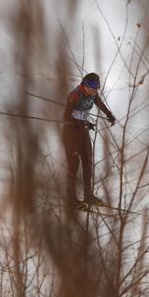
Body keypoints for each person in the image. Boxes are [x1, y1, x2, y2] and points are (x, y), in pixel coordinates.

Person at [61, 72, 116, 207]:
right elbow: (66, 118)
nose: (94, 89)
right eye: (91, 86)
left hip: (82, 131)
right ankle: (71, 198)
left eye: (97, 86)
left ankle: (88, 195)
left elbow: (99, 103)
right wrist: (83, 123)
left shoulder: (92, 94)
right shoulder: (74, 95)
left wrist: (109, 114)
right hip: (70, 131)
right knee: (74, 164)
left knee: (88, 162)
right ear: (84, 84)